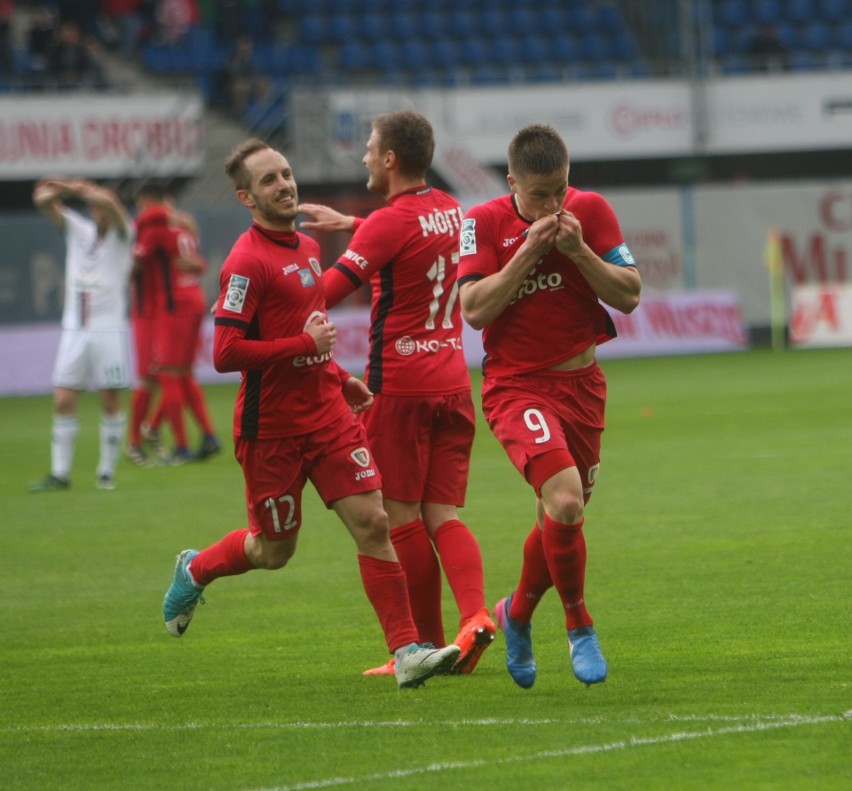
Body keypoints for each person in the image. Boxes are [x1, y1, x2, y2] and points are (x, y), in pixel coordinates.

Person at [161, 138, 461, 688]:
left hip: (327, 417)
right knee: (273, 550)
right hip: (271, 429)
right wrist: (301, 346)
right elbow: (224, 354)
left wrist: (338, 377)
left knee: (374, 521)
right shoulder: (245, 263)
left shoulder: (307, 249)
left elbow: (313, 335)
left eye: (286, 173)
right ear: (246, 198)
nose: (285, 185)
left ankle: (407, 652)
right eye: (269, 180)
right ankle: (196, 567)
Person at [298, 110, 495, 677]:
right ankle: (476, 615)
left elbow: (327, 293)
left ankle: (426, 644)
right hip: (454, 382)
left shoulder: (389, 221)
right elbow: (408, 232)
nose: (362, 156)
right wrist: (356, 222)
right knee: (445, 513)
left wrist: (266, 305)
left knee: (400, 516)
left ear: (389, 159)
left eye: (368, 148)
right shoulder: (451, 210)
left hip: (401, 387)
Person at [457, 124, 641, 688]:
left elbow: (629, 294)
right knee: (563, 501)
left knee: (558, 517)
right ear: (512, 183)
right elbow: (474, 309)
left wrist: (578, 250)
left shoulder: (590, 211)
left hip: (583, 387)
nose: (553, 204)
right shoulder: (482, 223)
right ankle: (579, 625)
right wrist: (529, 254)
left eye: (560, 189)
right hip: (517, 387)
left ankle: (515, 613)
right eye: (539, 194)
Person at [29, 178, 134, 492]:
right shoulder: (78, 229)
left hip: (109, 329)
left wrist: (75, 187)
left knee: (110, 400)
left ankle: (106, 472)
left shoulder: (124, 233)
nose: (99, 209)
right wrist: (63, 188)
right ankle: (60, 473)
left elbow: (113, 205)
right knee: (63, 400)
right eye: (95, 205)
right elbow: (42, 200)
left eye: (103, 204)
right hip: (74, 329)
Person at [127, 182, 220, 465]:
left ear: (146, 201)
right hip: (193, 299)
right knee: (183, 373)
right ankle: (206, 436)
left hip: (171, 305)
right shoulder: (182, 229)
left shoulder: (154, 228)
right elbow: (199, 264)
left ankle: (179, 447)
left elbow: (137, 259)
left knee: (167, 374)